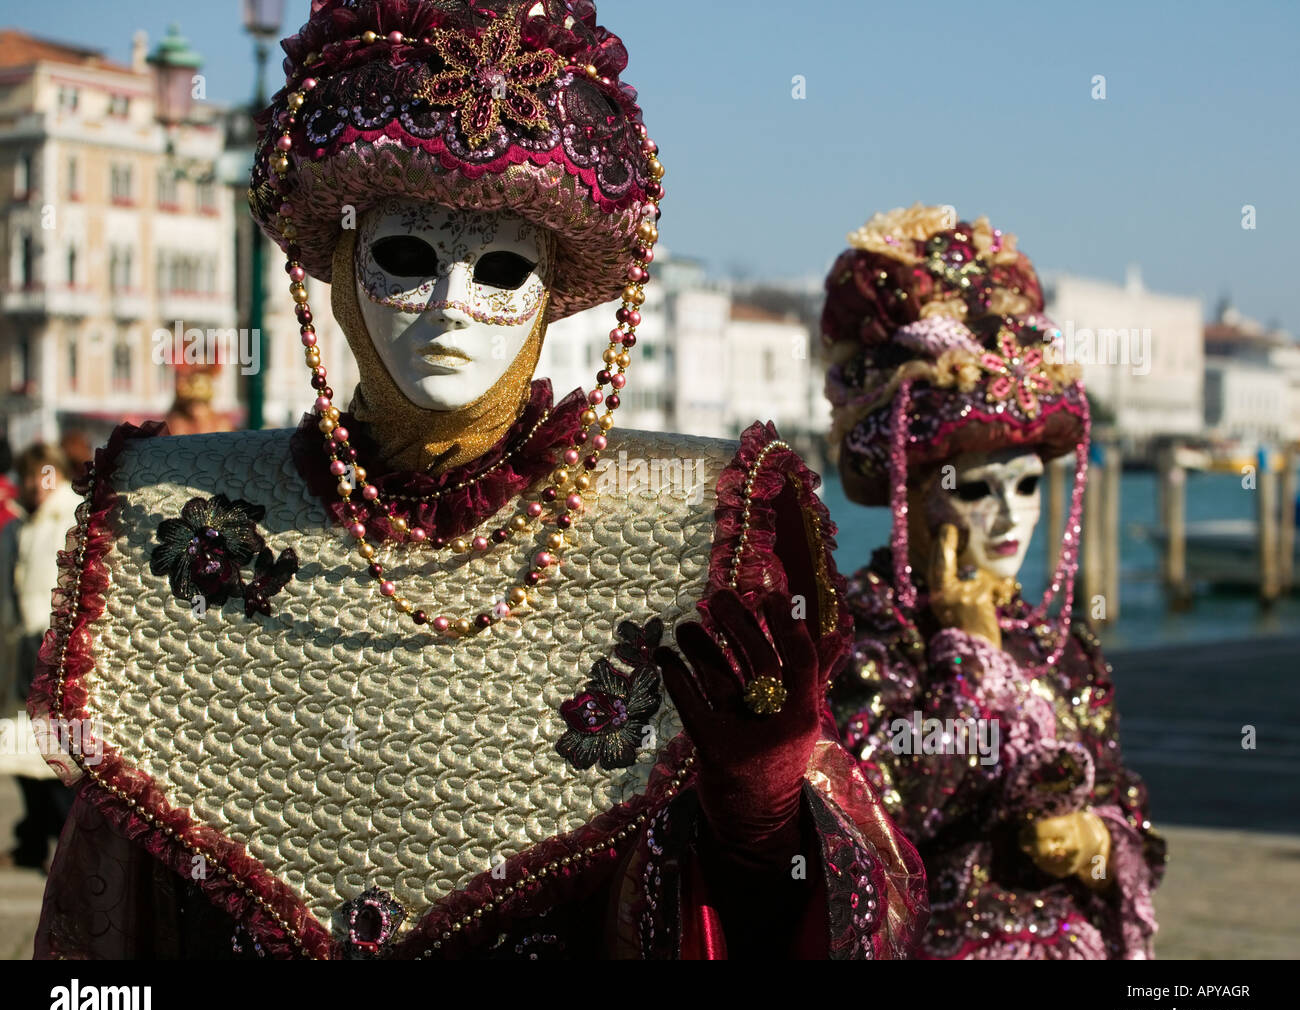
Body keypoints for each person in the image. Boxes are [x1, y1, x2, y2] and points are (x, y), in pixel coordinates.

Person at [28, 0, 925, 959]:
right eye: (407, 257)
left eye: (500, 268)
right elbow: (107, 926)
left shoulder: (685, 525)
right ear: (337, 265)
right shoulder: (175, 512)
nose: (454, 307)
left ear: (551, 294)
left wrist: (761, 822)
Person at [821, 204, 1165, 959]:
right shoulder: (866, 631)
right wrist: (965, 655)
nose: (1010, 514)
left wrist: (1091, 843)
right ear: (915, 491)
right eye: (978, 487)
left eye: (1027, 483)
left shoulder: (1057, 642)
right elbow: (884, 809)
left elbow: (1121, 801)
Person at [0, 442, 82, 870]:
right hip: (19, 654)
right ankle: (34, 839)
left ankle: (66, 846)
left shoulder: (71, 518)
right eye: (27, 476)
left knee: (57, 760)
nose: (33, 485)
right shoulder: (16, 528)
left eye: (40, 476)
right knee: (17, 751)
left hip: (57, 652)